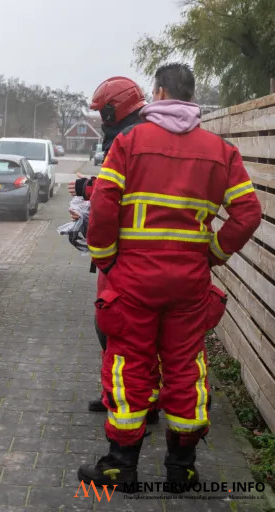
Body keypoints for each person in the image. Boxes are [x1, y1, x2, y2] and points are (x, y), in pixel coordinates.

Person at [78, 63, 262, 491]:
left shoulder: (128, 142)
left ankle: (120, 465)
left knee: (129, 365)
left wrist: (106, 260)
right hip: (189, 284)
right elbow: (248, 212)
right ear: (191, 95)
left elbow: (104, 203)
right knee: (185, 368)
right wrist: (213, 254)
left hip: (134, 281)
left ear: (158, 93)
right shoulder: (221, 150)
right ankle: (183, 469)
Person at [67, 77, 161, 418]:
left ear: (114, 108)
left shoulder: (129, 137)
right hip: (127, 251)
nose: (101, 118)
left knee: (117, 328)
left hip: (124, 254)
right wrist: (88, 188)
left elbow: (123, 191)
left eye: (103, 111)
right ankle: (118, 394)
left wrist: (88, 196)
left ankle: (137, 402)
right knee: (113, 327)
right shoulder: (132, 133)